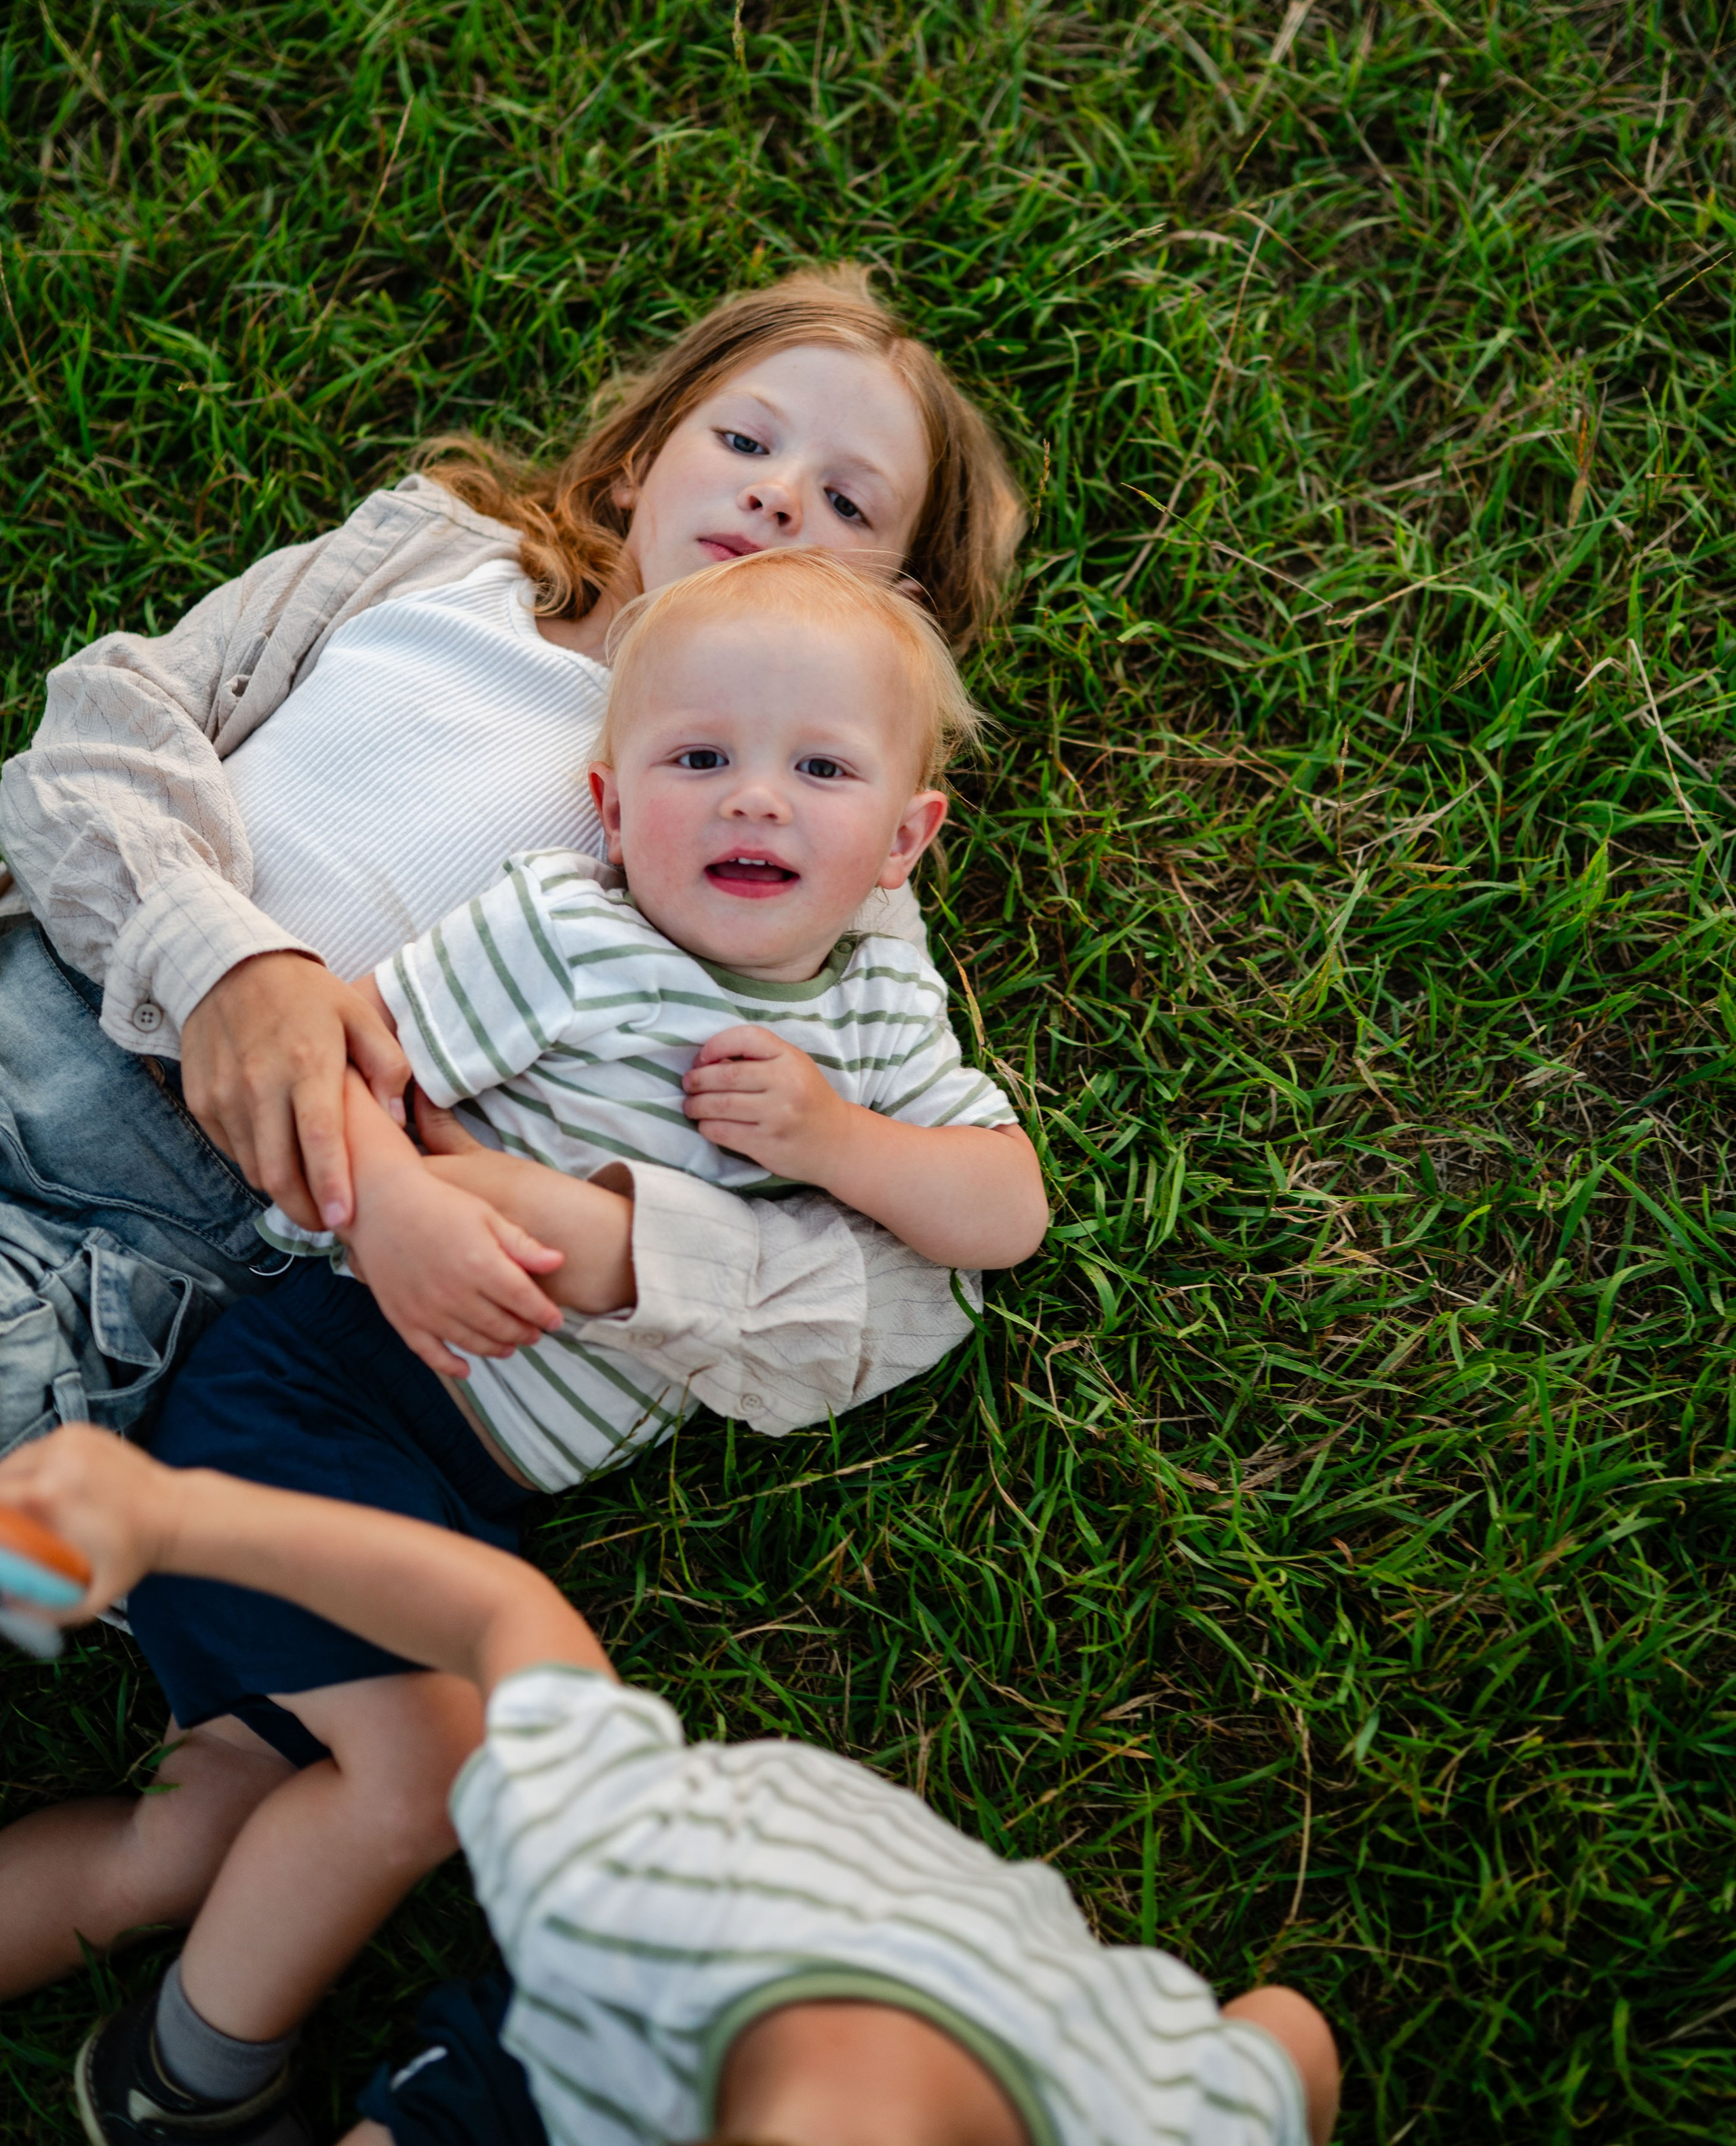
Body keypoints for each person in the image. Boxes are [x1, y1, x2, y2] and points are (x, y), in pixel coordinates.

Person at [0, 551, 1052, 2146]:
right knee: (424, 1759)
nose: (753, 802)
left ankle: (160, 2040)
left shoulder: (874, 1035)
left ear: (904, 843)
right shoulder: (564, 928)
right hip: (310, 1402)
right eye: (697, 759)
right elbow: (355, 1060)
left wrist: (841, 1143)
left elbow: (1002, 1213)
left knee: (203, 1817)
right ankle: (189, 2087)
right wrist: (405, 1203)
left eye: (819, 770)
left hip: (461, 1493)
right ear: (610, 805)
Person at [0, 267, 1025, 1458]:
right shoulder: (438, 562)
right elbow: (103, 722)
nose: (782, 496)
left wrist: (621, 1245)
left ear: (897, 604)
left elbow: (909, 1286)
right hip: (44, 975)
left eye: (851, 507)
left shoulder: (820, 861)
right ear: (638, 458)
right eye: (745, 438)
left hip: (176, 1223)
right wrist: (226, 962)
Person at [0, 1423, 1343, 2146]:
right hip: (617, 2014)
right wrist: (175, 1517)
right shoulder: (624, 1891)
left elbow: (1288, 2034)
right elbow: (498, 1621)